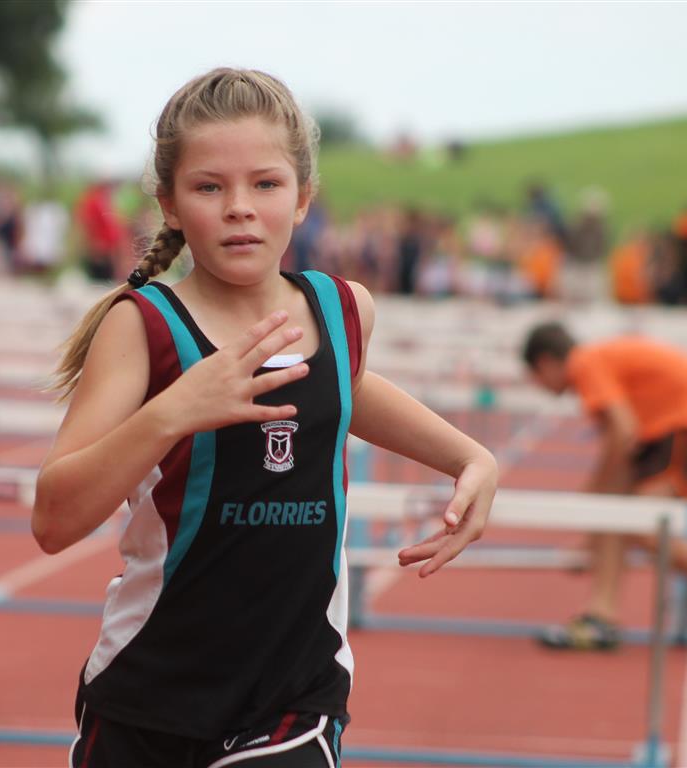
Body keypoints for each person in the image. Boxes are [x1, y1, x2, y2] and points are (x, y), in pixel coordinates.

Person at [34, 67, 498, 768]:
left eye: (266, 184)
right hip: (147, 692)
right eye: (209, 187)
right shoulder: (142, 327)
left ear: (303, 198)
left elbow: (341, 387)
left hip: (292, 698)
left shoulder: (344, 310)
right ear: (169, 204)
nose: (239, 208)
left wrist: (471, 457)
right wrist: (174, 412)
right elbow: (54, 520)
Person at [521, 322, 687, 652]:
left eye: (535, 378)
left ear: (545, 363)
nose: (539, 387)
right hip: (681, 423)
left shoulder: (585, 363)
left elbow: (623, 432)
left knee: (644, 526)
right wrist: (591, 534)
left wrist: (588, 499)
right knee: (620, 514)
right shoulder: (599, 362)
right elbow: (621, 454)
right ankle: (601, 617)